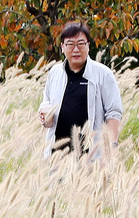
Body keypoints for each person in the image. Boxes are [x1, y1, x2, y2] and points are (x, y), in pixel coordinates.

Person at [38, 21, 123, 159]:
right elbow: (46, 102)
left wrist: (110, 148)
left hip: (91, 156)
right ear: (62, 47)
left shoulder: (102, 74)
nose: (76, 49)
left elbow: (113, 112)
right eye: (70, 44)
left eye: (81, 44)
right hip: (57, 157)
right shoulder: (55, 73)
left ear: (88, 45)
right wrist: (45, 117)